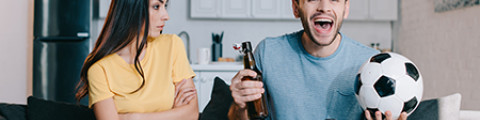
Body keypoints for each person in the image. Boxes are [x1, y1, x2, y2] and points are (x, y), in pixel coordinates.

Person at [228, 0, 408, 120]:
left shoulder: (371, 64)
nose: (324, 7)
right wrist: (240, 106)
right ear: (296, 7)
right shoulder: (268, 53)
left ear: (346, 9)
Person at [75, 0, 198, 120]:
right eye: (156, 7)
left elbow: (192, 114)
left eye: (165, 6)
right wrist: (173, 114)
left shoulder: (172, 45)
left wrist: (133, 117)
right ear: (132, 8)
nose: (166, 16)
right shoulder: (99, 69)